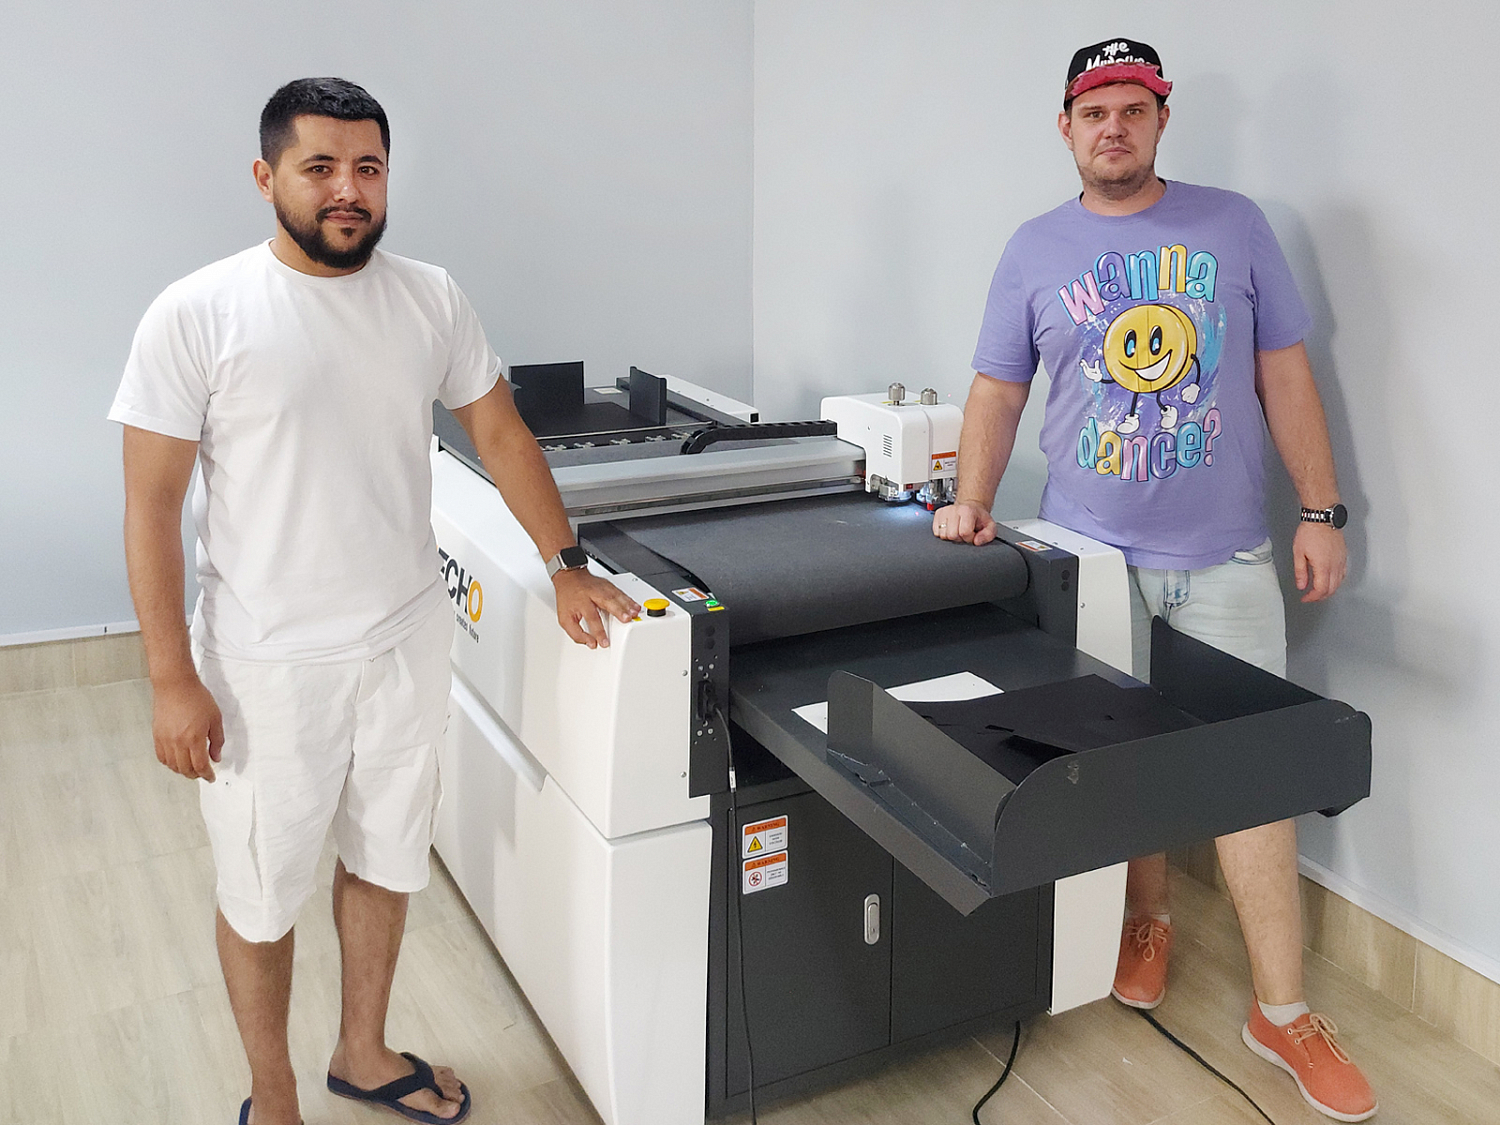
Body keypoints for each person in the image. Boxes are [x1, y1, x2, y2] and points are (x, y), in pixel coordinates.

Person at [111, 77, 640, 1125]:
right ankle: (274, 1098)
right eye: (320, 168)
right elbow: (151, 505)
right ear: (266, 177)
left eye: (368, 168)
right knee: (262, 893)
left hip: (404, 639)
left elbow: (499, 433)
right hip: (265, 664)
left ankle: (361, 1051)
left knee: (388, 855)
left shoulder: (429, 297)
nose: (347, 190)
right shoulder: (197, 313)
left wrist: (566, 560)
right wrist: (171, 676)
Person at [932, 39, 1375, 1122]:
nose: (1114, 128)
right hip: (1090, 556)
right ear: (1067, 129)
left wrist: (1321, 511)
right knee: (1120, 763)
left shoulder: (1235, 226)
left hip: (1226, 558)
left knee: (1256, 776)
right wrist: (971, 497)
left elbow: (1283, 373)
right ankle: (1149, 916)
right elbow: (997, 388)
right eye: (1096, 112)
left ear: (1162, 120)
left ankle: (1281, 1012)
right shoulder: (1034, 248)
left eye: (1134, 109)